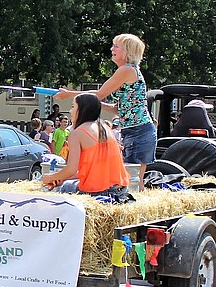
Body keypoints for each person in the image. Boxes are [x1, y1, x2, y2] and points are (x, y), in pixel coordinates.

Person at [43, 93, 130, 194]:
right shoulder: (105, 128)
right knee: (67, 182)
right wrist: (61, 178)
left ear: (82, 109)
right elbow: (91, 172)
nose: (70, 111)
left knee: (66, 187)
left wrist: (50, 177)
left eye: (73, 107)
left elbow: (71, 169)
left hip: (98, 191)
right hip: (120, 189)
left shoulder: (77, 133)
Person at [94, 33, 156, 166]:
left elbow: (100, 93)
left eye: (116, 46)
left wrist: (70, 94)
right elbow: (119, 109)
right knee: (133, 178)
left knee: (132, 177)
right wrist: (95, 103)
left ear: (128, 51)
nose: (112, 49)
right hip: (135, 130)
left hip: (138, 130)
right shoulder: (128, 70)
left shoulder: (126, 70)